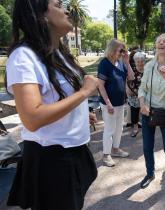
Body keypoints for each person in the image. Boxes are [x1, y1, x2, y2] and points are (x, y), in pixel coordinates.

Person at [5, 0, 98, 209]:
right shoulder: (24, 57)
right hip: (52, 162)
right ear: (41, 15)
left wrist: (79, 114)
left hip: (74, 153)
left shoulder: (58, 54)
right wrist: (84, 93)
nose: (66, 10)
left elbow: (57, 100)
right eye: (58, 5)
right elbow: (32, 118)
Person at [138, 33, 165, 193]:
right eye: (159, 41)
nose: (161, 43)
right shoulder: (149, 65)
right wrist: (142, 104)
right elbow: (142, 87)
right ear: (156, 46)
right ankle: (150, 174)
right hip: (148, 111)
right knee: (147, 147)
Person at [97, 39, 135, 167]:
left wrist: (127, 62)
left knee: (119, 128)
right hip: (109, 103)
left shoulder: (121, 63)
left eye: (124, 50)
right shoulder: (104, 63)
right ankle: (106, 155)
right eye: (121, 50)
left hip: (120, 102)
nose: (123, 52)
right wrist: (108, 103)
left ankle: (115, 149)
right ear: (113, 50)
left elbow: (131, 77)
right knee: (109, 129)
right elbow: (100, 86)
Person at [126, 52, 146, 137]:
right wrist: (127, 90)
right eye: (138, 61)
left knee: (145, 112)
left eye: (142, 61)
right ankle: (135, 128)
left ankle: (146, 128)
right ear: (135, 61)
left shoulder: (147, 70)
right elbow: (126, 80)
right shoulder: (132, 70)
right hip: (133, 95)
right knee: (134, 112)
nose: (140, 63)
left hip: (145, 95)